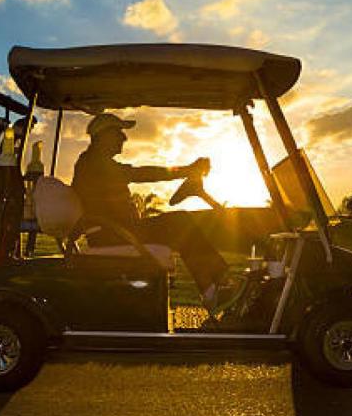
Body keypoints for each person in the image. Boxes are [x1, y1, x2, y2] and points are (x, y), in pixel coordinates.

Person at [72, 112, 241, 313]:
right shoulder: (94, 163)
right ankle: (216, 288)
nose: (124, 138)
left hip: (118, 231)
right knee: (180, 223)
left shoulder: (94, 161)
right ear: (104, 135)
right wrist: (186, 170)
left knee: (179, 221)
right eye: (119, 132)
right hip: (113, 234)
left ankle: (214, 288)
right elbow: (141, 174)